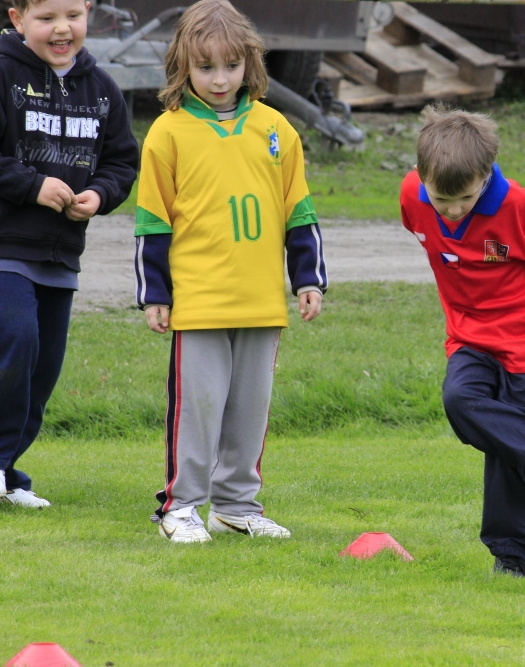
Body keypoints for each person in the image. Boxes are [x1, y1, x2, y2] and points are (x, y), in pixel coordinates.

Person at [133, 0, 327, 543]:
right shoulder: (167, 134)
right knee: (198, 409)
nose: (220, 79)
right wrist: (155, 292)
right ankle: (182, 506)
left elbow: (300, 212)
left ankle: (238, 505)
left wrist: (308, 279)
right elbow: (152, 221)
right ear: (182, 67)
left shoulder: (276, 129)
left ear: (250, 64)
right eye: (205, 67)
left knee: (248, 410)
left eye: (231, 66)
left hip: (261, 302)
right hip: (199, 303)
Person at [400, 105, 525, 576]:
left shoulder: (518, 205)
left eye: (466, 199)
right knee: (460, 399)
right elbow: (431, 235)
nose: (453, 210)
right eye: (441, 199)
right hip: (471, 337)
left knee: (509, 453)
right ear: (421, 176)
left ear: (485, 175)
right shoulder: (412, 196)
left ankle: (512, 558)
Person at [0, 0, 139, 508]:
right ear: (17, 19)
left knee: (42, 368)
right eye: (46, 18)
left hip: (61, 257)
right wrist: (30, 185)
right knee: (16, 340)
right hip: (6, 247)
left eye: (73, 15)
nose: (62, 29)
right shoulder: (3, 71)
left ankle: (8, 473)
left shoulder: (100, 88)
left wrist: (99, 195)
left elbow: (123, 161)